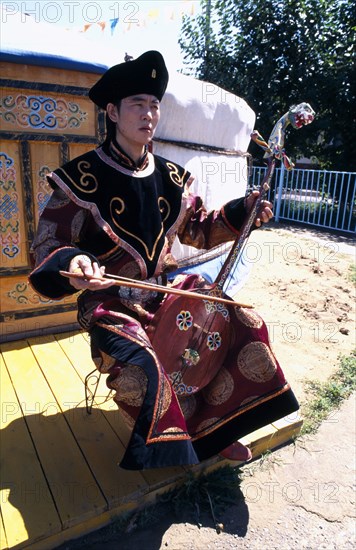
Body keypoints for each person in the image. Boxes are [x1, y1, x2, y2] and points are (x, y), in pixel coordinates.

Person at [29, 51, 299, 470]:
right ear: (114, 112)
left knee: (242, 321)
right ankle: (176, 439)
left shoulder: (172, 178)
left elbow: (200, 229)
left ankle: (216, 430)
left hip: (166, 290)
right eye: (139, 103)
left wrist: (242, 210)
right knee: (143, 367)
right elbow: (49, 244)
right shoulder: (80, 178)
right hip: (112, 301)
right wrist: (78, 264)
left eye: (155, 104)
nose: (150, 113)